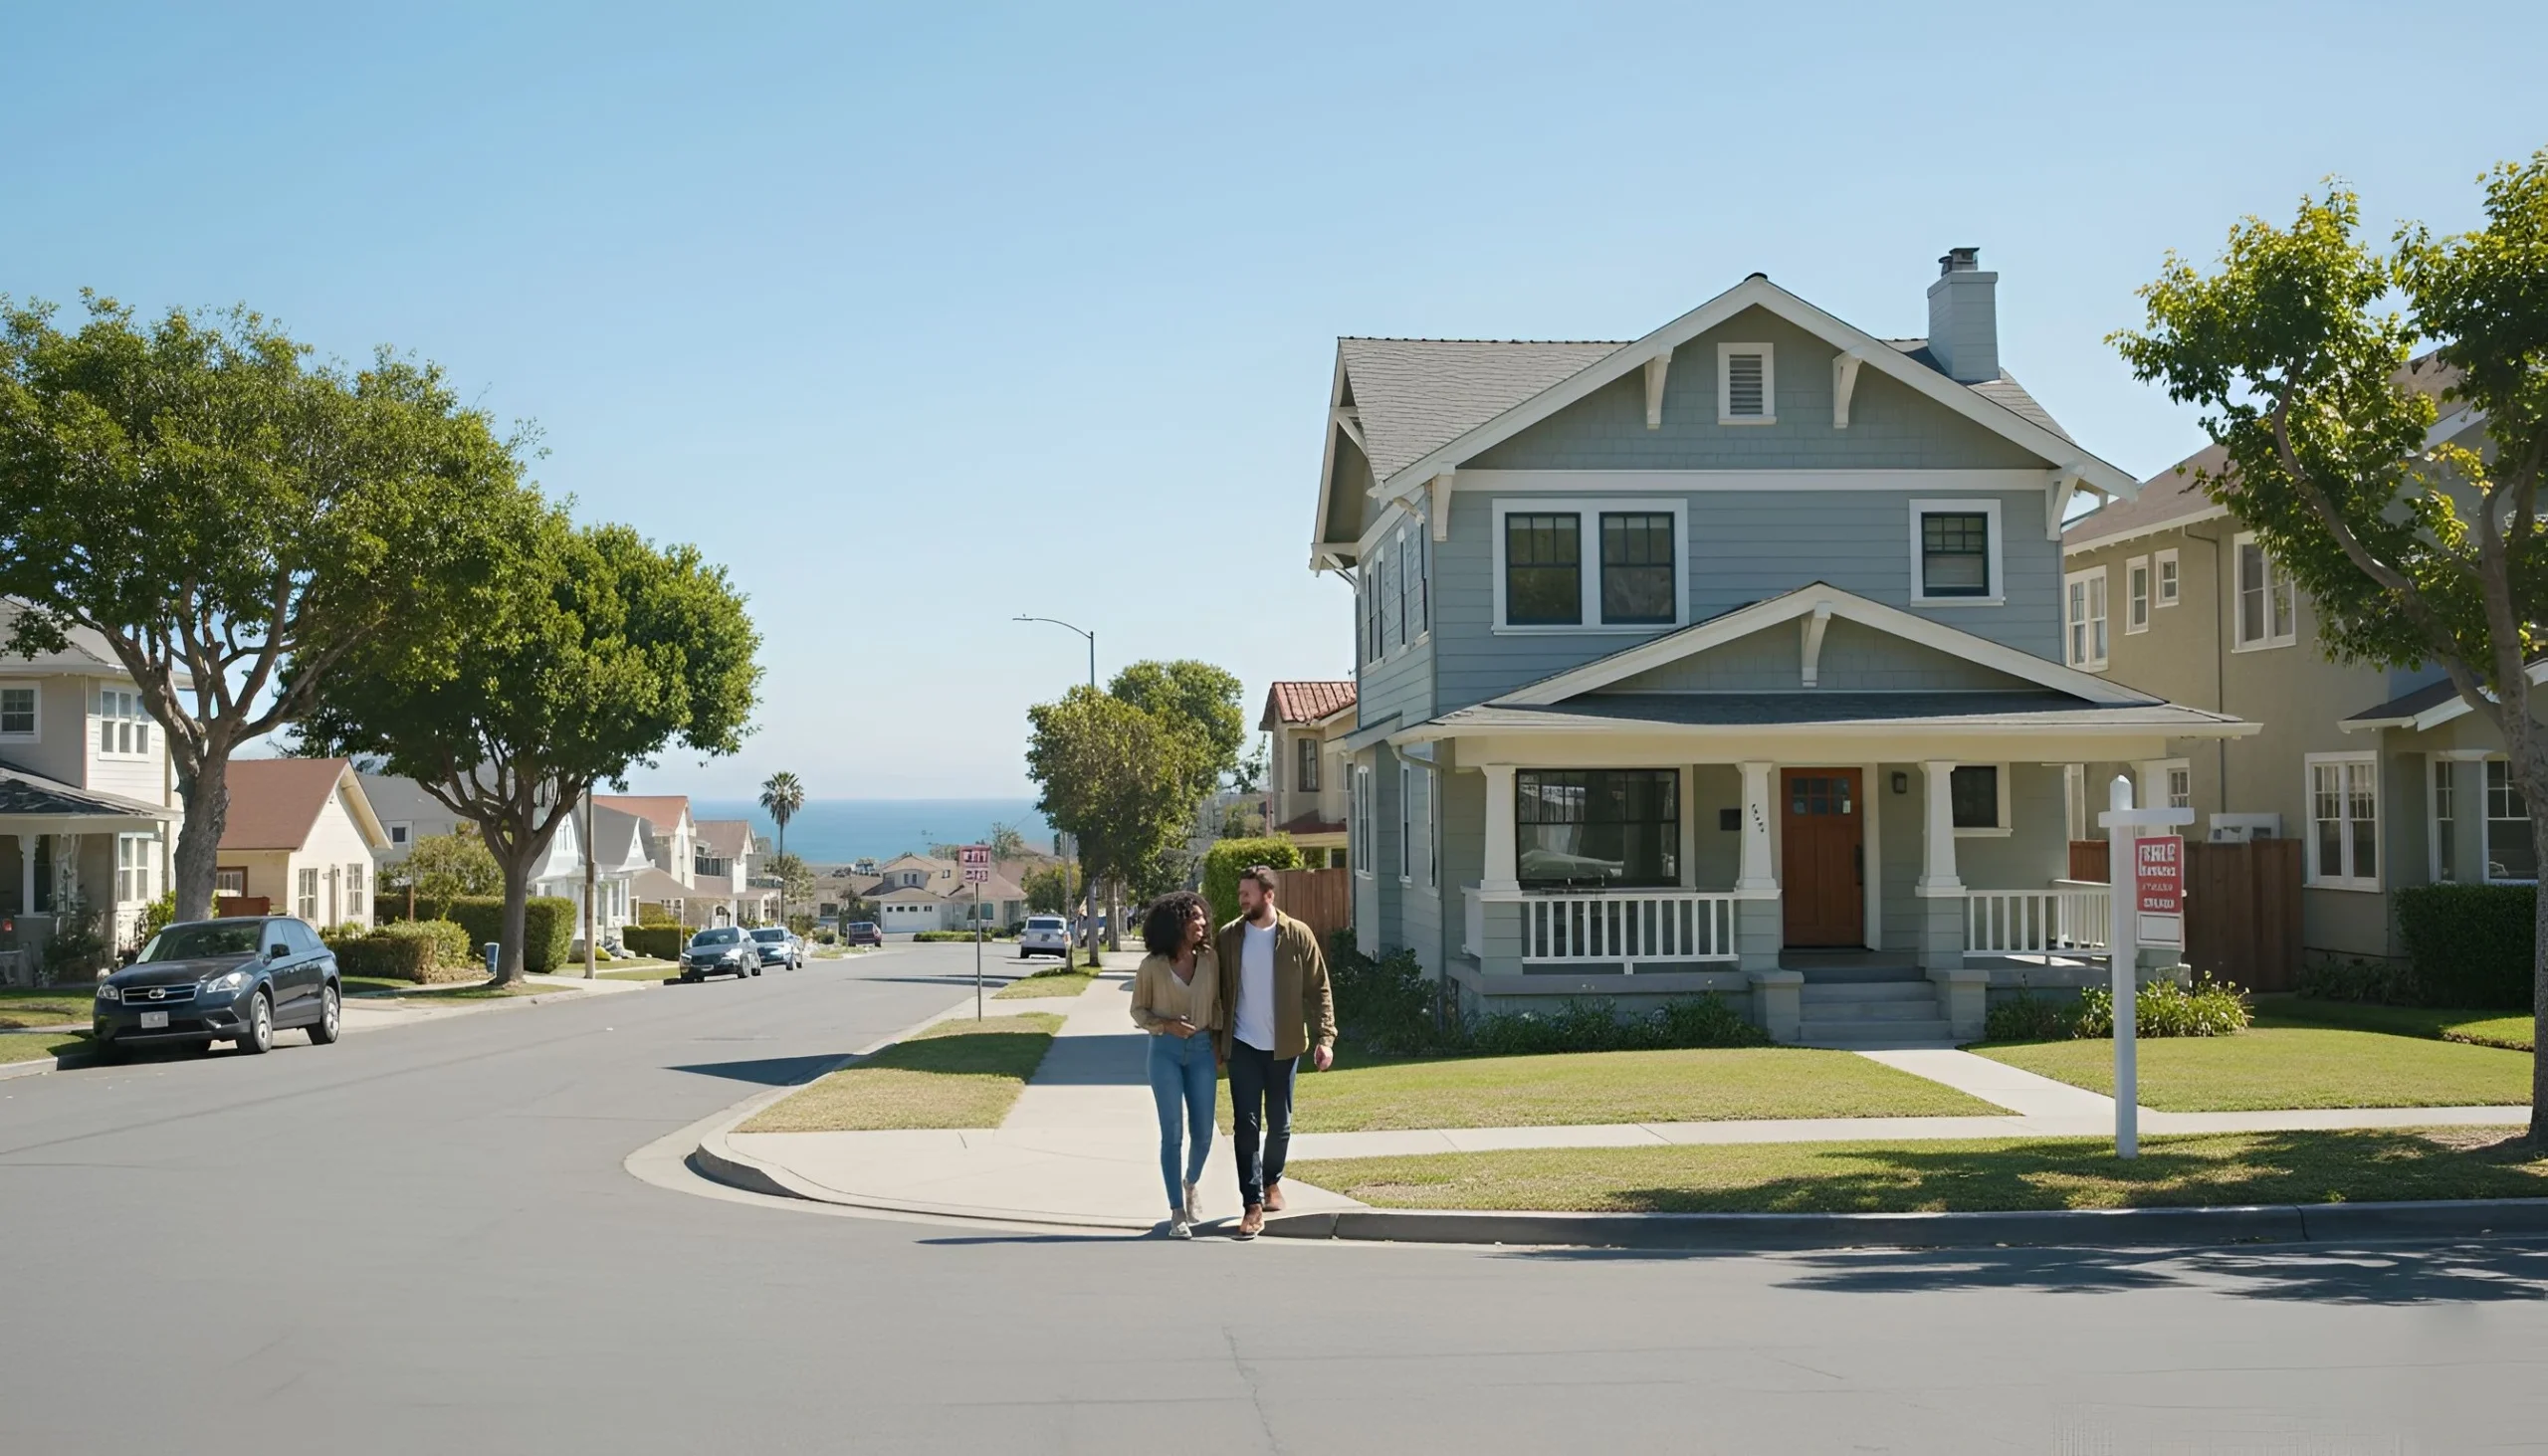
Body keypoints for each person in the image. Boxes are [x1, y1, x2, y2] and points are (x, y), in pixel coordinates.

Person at [1213, 865, 1336, 1241]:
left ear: (1269, 895)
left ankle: (1271, 1182)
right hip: (1244, 1044)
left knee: (1280, 1125)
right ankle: (1251, 1204)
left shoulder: (1297, 935)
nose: (1241, 899)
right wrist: (1215, 1040)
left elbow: (1319, 988)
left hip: (1285, 1045)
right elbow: (1216, 990)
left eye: (1247, 893)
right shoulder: (1230, 937)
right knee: (1245, 1126)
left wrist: (1325, 1038)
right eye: (1240, 894)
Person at [1130, 889, 1221, 1239]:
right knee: (1173, 1133)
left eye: (1202, 917)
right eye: (1194, 917)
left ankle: (1191, 1181)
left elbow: (1217, 1005)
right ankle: (1176, 1212)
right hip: (1164, 1051)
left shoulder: (1210, 959)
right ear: (1177, 923)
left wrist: (1215, 1043)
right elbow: (1138, 1010)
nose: (1202, 923)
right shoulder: (1152, 966)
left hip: (1201, 1051)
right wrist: (1166, 1025)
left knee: (1203, 1133)